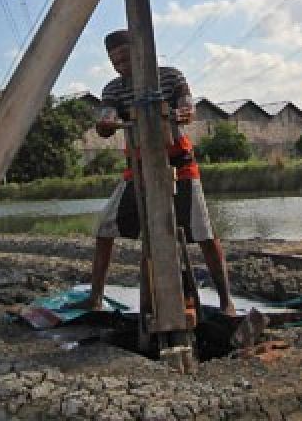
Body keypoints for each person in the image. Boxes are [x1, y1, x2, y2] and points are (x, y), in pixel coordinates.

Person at [80, 29, 235, 316]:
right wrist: (107, 123)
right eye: (115, 62)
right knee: (105, 228)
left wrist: (184, 112)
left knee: (203, 232)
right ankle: (95, 299)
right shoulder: (113, 89)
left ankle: (226, 301)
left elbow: (188, 106)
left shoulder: (171, 77)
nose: (121, 65)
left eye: (126, 58)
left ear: (141, 52)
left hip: (179, 164)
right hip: (138, 169)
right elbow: (107, 116)